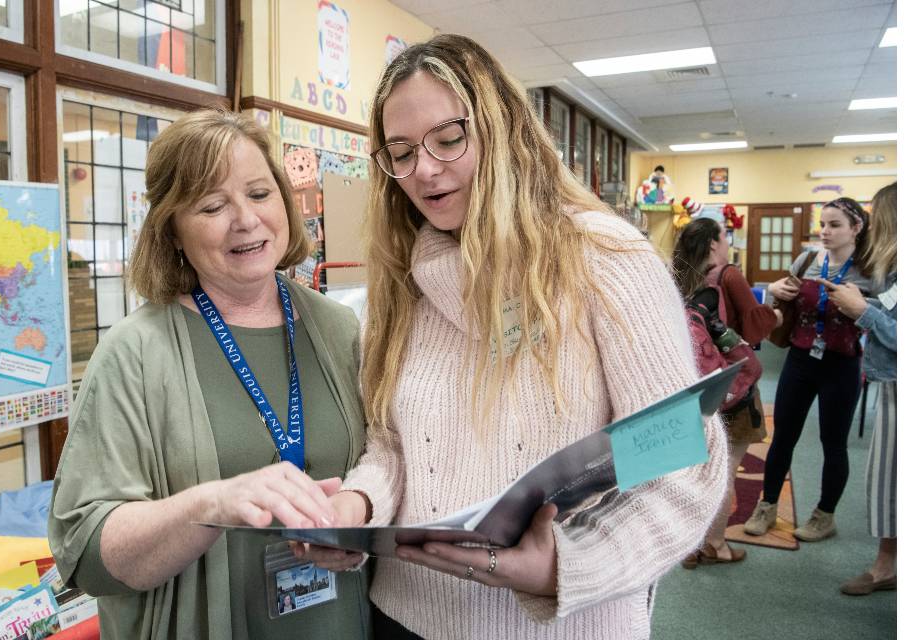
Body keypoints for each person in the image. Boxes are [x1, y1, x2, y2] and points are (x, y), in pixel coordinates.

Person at [304, 34, 728, 640]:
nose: (424, 169)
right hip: (404, 614)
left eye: (449, 139)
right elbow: (394, 447)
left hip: (565, 622)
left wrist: (562, 566)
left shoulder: (605, 261)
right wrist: (355, 509)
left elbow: (681, 467)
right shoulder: (401, 288)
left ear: (503, 131)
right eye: (399, 152)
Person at [48, 109, 372, 639]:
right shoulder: (134, 353)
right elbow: (85, 550)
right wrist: (209, 505)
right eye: (212, 205)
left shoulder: (339, 329)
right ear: (173, 232)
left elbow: (382, 471)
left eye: (260, 194)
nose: (244, 219)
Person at [744, 197, 875, 541]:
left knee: (833, 442)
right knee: (783, 436)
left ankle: (824, 516)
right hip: (800, 359)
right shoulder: (806, 260)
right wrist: (770, 292)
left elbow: (881, 320)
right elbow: (780, 301)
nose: (825, 232)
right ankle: (767, 505)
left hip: (842, 363)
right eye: (823, 225)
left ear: (856, 228)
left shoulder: (871, 270)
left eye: (835, 225)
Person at [673, 218, 776, 568]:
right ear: (715, 244)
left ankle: (688, 541)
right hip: (731, 384)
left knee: (696, 466)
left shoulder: (676, 278)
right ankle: (715, 544)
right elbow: (756, 326)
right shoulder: (728, 275)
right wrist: (776, 307)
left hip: (692, 385)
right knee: (726, 467)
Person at [826, 183, 896, 595]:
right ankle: (887, 562)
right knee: (887, 479)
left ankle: (887, 566)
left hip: (895, 381)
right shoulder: (893, 267)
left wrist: (862, 312)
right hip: (888, 380)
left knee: (890, 479)